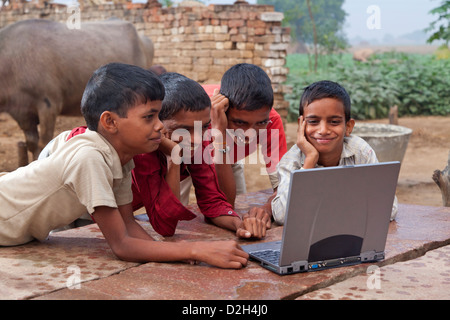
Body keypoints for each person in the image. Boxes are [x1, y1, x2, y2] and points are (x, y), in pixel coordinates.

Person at [0, 63, 248, 269]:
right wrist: (196, 250)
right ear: (110, 122)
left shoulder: (123, 157)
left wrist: (183, 255)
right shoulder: (89, 157)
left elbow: (128, 225)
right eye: (149, 117)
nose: (160, 126)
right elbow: (121, 245)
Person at [131, 72, 268, 238]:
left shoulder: (196, 141)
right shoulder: (141, 150)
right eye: (184, 129)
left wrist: (240, 225)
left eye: (204, 127)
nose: (197, 139)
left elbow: (213, 201)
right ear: (155, 122)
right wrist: (174, 159)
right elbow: (166, 226)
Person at [271, 80, 398, 224]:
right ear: (301, 125)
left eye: (334, 122)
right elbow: (282, 216)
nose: (323, 130)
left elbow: (390, 208)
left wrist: (324, 209)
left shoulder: (360, 152)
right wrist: (310, 161)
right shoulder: (291, 161)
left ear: (348, 127)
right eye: (313, 121)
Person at [202, 63, 288, 234]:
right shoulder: (199, 114)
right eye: (240, 123)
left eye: (260, 123)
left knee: (233, 215)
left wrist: (266, 209)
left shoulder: (272, 121)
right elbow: (219, 203)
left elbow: (284, 188)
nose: (249, 135)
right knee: (177, 217)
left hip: (227, 156)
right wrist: (218, 132)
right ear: (224, 111)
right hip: (186, 159)